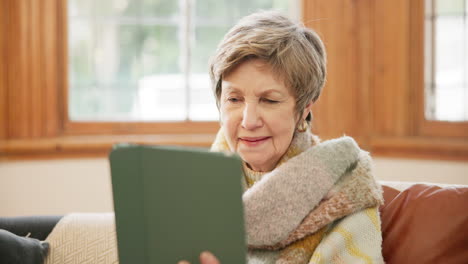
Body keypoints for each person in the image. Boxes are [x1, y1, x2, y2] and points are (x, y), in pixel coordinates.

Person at [179, 10, 384, 264]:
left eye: (269, 100)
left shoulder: (347, 190)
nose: (248, 120)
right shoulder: (192, 190)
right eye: (234, 99)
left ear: (304, 109)